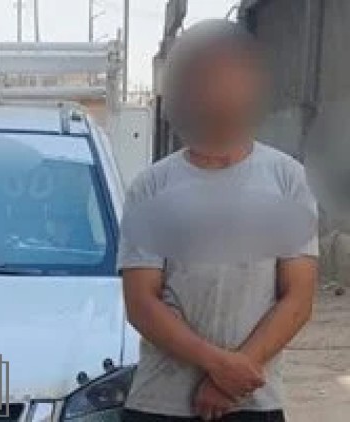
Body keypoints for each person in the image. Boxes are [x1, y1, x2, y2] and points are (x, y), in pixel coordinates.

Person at [119, 20, 318, 422]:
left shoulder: (287, 179)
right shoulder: (152, 186)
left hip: (253, 402)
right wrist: (220, 366)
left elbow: (298, 298)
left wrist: (232, 379)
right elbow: (141, 303)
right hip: (161, 404)